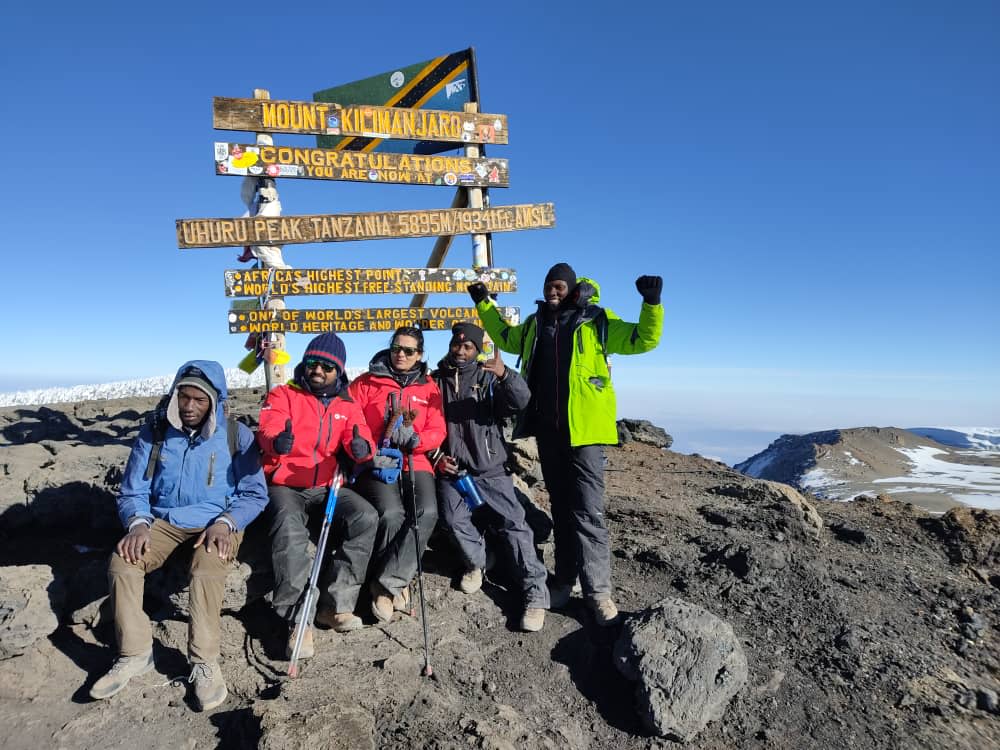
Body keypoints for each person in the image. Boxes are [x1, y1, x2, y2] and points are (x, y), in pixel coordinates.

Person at [468, 263, 663, 626]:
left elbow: (642, 340)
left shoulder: (596, 320)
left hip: (585, 433)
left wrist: (651, 304)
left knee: (588, 511)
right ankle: (563, 581)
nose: (552, 291)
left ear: (572, 288)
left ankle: (598, 593)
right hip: (548, 430)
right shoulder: (535, 323)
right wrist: (484, 305)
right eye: (548, 286)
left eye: (558, 286)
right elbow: (506, 338)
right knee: (561, 510)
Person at [91, 360, 268, 711]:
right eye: (183, 397)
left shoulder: (236, 435)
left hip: (218, 521)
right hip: (164, 520)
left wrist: (227, 522)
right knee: (123, 562)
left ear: (214, 401)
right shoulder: (155, 432)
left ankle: (204, 662)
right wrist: (138, 523)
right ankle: (135, 652)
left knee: (206, 569)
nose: (188, 407)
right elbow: (133, 490)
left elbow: (254, 493)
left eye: (198, 400)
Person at [257, 333, 378, 656]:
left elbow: (363, 439)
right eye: (313, 363)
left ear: (338, 371)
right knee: (290, 530)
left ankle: (336, 605)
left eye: (327, 366)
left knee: (365, 516)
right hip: (285, 484)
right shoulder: (285, 394)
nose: (318, 370)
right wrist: (275, 442)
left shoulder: (346, 404)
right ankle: (299, 620)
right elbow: (269, 426)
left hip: (327, 485)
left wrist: (362, 449)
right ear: (303, 364)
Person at [432, 322, 551, 632]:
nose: (460, 350)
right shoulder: (435, 381)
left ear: (475, 350)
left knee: (514, 525)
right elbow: (427, 427)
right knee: (452, 519)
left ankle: (535, 595)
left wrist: (505, 374)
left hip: (490, 469)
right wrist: (436, 458)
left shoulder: (487, 379)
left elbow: (520, 401)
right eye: (457, 344)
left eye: (467, 346)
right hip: (453, 469)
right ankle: (480, 562)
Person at [349, 326, 446, 623]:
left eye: (408, 350)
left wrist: (419, 441)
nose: (400, 354)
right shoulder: (366, 383)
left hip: (416, 462)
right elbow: (354, 419)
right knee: (391, 514)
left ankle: (389, 583)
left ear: (420, 354)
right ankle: (388, 585)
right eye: (396, 348)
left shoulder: (429, 386)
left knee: (427, 512)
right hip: (379, 463)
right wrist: (370, 451)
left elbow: (438, 427)